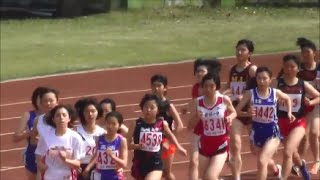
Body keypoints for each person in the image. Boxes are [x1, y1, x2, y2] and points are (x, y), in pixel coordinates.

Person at [235, 66, 293, 180]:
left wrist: (289, 113)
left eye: (264, 78)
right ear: (256, 79)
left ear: (270, 80)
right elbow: (236, 111)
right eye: (259, 78)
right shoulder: (250, 94)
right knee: (263, 160)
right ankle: (276, 169)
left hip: (272, 131)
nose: (261, 81)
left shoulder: (275, 93)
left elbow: (287, 99)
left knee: (261, 161)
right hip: (257, 131)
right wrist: (248, 113)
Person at [277, 54, 319, 179]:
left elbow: (318, 96)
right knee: (293, 155)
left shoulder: (303, 84)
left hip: (298, 123)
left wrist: (310, 102)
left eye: (292, 66)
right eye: (286, 66)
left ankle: (282, 178)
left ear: (298, 69)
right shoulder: (278, 84)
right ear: (283, 67)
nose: (289, 69)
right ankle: (301, 165)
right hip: (281, 123)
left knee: (287, 152)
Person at [188, 72, 237, 180]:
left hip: (221, 144)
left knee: (211, 176)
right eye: (205, 86)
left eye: (211, 86)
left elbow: (234, 112)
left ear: (216, 87)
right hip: (205, 144)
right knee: (205, 177)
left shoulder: (223, 100)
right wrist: (196, 117)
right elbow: (189, 126)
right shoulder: (198, 103)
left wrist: (230, 117)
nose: (208, 89)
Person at [127, 93, 187, 180]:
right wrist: (137, 146)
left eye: (152, 107)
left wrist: (179, 147)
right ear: (142, 108)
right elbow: (126, 145)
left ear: (158, 110)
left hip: (156, 163)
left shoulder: (162, 124)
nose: (148, 110)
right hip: (139, 164)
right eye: (146, 107)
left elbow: (170, 136)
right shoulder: (136, 124)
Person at [223, 39, 258, 180]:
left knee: (255, 149)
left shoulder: (252, 70)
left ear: (250, 53)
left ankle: (274, 169)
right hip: (236, 112)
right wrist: (222, 94)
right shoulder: (232, 69)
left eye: (243, 50)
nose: (239, 52)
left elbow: (260, 89)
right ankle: (237, 177)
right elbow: (228, 85)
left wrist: (244, 96)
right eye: (237, 49)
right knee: (235, 146)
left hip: (251, 113)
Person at [188, 58, 222, 180]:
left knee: (209, 172)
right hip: (199, 129)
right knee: (193, 161)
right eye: (197, 71)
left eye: (202, 71)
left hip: (214, 133)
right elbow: (194, 106)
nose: (199, 73)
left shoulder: (214, 89)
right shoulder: (195, 88)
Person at [35, 105, 83, 180]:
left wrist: (65, 160)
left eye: (64, 115)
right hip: (49, 176)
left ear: (69, 118)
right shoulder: (46, 136)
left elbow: (77, 163)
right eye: (58, 115)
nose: (61, 118)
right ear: (53, 119)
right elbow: (39, 153)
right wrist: (39, 164)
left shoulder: (75, 138)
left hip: (67, 176)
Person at [150, 74, 184, 180]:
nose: (156, 88)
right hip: (153, 141)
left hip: (165, 142)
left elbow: (180, 125)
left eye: (159, 86)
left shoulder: (168, 105)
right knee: (154, 171)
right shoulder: (149, 103)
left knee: (166, 173)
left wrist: (169, 141)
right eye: (154, 85)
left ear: (165, 88)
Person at [296, 37, 320, 175]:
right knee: (303, 136)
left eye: (307, 52)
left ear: (314, 53)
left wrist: (312, 101)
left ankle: (317, 161)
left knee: (314, 133)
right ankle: (300, 162)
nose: (304, 55)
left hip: (316, 104)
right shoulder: (298, 69)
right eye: (302, 52)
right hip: (301, 106)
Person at [13, 87, 46, 180]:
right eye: (40, 99)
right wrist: (30, 133)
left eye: (45, 99)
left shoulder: (55, 115)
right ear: (35, 100)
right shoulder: (28, 115)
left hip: (50, 153)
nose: (43, 102)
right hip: (33, 152)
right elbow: (15, 138)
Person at [83, 111, 128, 180]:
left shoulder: (122, 140)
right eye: (108, 123)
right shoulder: (99, 139)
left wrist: (113, 156)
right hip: (100, 175)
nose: (110, 126)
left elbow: (124, 164)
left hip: (115, 176)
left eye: (113, 124)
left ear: (119, 125)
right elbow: (96, 155)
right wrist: (87, 168)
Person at [75, 97, 105, 180]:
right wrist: (75, 165)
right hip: (79, 168)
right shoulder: (75, 132)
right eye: (87, 111)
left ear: (98, 112)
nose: (90, 114)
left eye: (93, 111)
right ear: (82, 114)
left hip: (98, 168)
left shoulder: (102, 132)